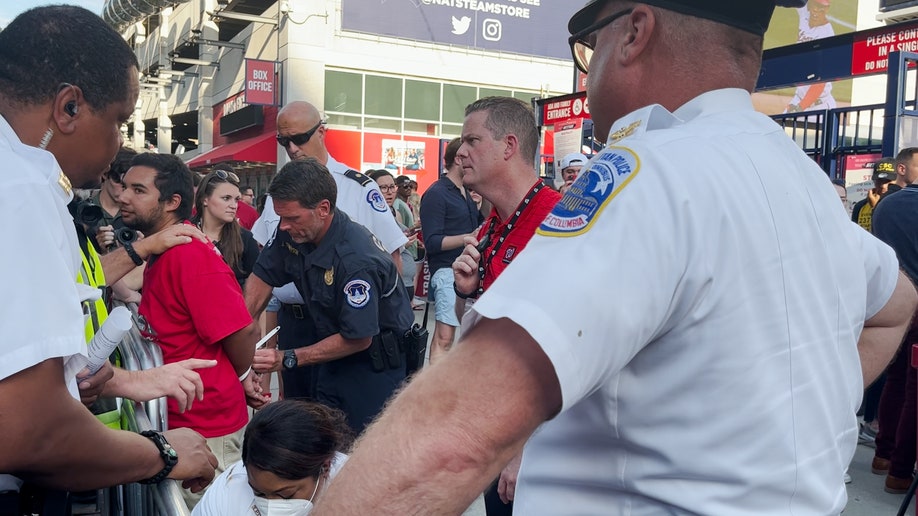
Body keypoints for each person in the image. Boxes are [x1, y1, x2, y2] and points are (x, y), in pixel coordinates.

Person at [311, 1, 917, 514]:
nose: (589, 66)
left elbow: (453, 436)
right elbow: (896, 304)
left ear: (633, 33)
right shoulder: (803, 180)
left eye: (588, 45)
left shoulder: (651, 173)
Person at [0, 5, 217, 508]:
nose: (118, 140)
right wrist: (161, 451)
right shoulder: (22, 190)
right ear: (69, 108)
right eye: (119, 120)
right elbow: (29, 432)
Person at [119, 153, 261, 507]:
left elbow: (241, 331)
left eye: (138, 190)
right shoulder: (162, 249)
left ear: (172, 202)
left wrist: (244, 374)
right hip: (178, 420)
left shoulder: (190, 255)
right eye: (124, 187)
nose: (123, 197)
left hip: (206, 426)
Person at [247, 100, 407, 401]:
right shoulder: (282, 194)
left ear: (321, 132)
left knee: (348, 430)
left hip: (352, 328)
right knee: (300, 424)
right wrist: (246, 348)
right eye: (283, 141)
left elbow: (392, 261)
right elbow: (264, 269)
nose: (292, 148)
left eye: (299, 138)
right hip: (296, 324)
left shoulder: (358, 188)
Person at [450, 96, 562, 515]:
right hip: (492, 420)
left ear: (509, 146)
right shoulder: (492, 224)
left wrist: (524, 449)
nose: (460, 152)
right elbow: (473, 322)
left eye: (472, 140)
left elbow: (561, 349)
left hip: (534, 438)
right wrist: (467, 293)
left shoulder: (558, 223)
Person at [245, 158, 414, 433]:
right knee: (308, 444)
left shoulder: (355, 259)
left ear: (323, 209)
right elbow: (262, 278)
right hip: (324, 355)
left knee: (355, 454)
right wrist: (243, 352)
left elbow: (358, 337)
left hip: (369, 369)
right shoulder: (294, 230)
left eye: (292, 218)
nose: (283, 226)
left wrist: (287, 358)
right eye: (281, 217)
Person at [193, 400, 351, 516]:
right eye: (259, 493)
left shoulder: (356, 490)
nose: (270, 508)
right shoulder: (230, 488)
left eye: (286, 495)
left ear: (325, 467)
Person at [870, 148, 918, 494]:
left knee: (895, 380)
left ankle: (883, 456)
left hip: (892, 297)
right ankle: (900, 472)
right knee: (915, 391)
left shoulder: (886, 204)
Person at [419, 137, 482, 363]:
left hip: (465, 270)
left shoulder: (465, 191)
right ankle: (435, 391)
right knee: (445, 337)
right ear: (458, 159)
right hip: (446, 271)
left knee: (456, 336)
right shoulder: (437, 193)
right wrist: (468, 238)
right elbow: (433, 242)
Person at [193, 168, 260, 288]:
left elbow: (257, 285)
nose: (234, 205)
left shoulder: (245, 238)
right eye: (226, 198)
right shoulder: (185, 232)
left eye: (236, 199)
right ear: (205, 199)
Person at [368, 169, 420, 302]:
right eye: (383, 188)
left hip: (405, 284)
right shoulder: (370, 216)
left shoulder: (394, 212)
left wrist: (407, 234)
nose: (389, 192)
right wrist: (401, 244)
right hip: (389, 286)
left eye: (392, 187)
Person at [784, 0, 835, 113]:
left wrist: (800, 107)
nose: (816, 10)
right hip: (799, 99)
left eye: (821, 7)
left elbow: (821, 81)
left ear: (827, 9)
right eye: (815, 5)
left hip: (818, 107)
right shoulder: (805, 14)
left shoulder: (827, 34)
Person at [851, 157, 896, 232]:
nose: (883, 186)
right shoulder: (861, 206)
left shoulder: (902, 205)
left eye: (888, 181)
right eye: (879, 181)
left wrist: (875, 207)